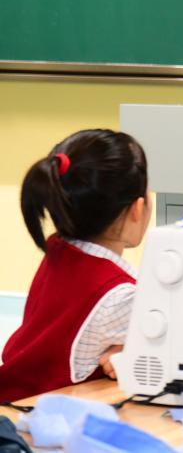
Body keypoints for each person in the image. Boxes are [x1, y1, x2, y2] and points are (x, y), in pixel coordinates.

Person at [0, 130, 150, 403]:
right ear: (137, 209)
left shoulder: (60, 248)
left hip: (14, 396)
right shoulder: (120, 297)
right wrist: (135, 352)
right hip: (39, 413)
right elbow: (177, 348)